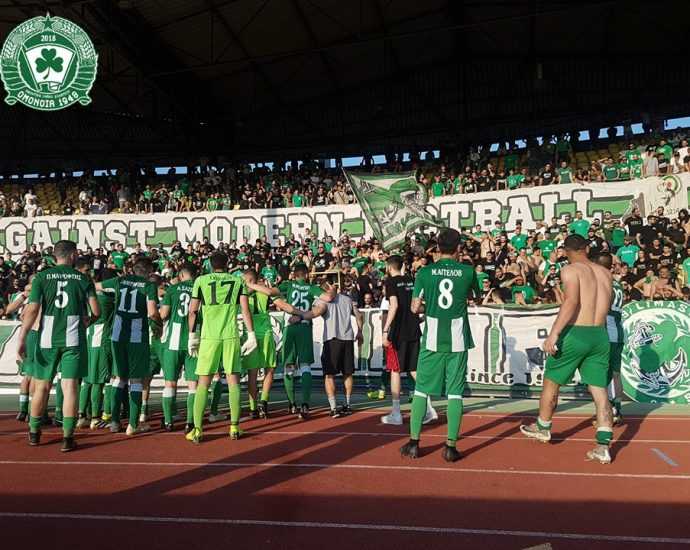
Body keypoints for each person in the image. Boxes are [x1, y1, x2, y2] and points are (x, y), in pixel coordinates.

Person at [520, 234, 614, 464]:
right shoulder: (605, 272)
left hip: (576, 332)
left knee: (552, 381)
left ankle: (543, 426)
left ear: (566, 251)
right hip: (599, 333)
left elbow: (571, 302)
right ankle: (603, 445)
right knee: (600, 391)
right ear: (586, 248)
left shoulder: (570, 270)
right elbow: (607, 303)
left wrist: (554, 333)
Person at [400, 228, 479, 463]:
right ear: (458, 248)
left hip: (432, 338)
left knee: (421, 390)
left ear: (437, 247)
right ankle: (450, 446)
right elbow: (475, 297)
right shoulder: (468, 271)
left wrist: (430, 306)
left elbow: (415, 307)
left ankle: (414, 443)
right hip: (457, 338)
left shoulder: (425, 272)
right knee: (455, 392)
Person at [16, 240, 99, 452]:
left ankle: (34, 433)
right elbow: (96, 311)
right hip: (73, 338)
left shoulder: (42, 277)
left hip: (47, 338)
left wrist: (22, 338)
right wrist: (88, 321)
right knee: (70, 387)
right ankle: (67, 437)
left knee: (42, 386)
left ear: (55, 255)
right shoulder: (83, 278)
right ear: (72, 255)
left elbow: (32, 309)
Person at [185, 252, 257, 444]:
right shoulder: (237, 281)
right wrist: (251, 334)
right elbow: (245, 309)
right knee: (233, 381)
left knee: (203, 383)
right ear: (227, 264)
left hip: (209, 337)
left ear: (210, 264)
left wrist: (191, 335)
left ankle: (197, 430)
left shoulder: (201, 280)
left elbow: (192, 311)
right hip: (230, 335)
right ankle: (234, 426)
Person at [100, 258, 162, 435]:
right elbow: (152, 312)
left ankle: (114, 421)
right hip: (137, 337)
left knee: (119, 378)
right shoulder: (149, 285)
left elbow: (97, 286)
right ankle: (133, 424)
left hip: (117, 335)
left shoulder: (120, 280)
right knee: (136, 380)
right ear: (148, 271)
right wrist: (158, 326)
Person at [380, 254, 437, 426]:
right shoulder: (412, 280)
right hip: (413, 330)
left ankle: (396, 412)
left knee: (395, 370)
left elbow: (394, 305)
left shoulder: (390, 282)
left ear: (389, 267)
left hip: (399, 331)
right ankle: (429, 408)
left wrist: (385, 330)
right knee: (414, 370)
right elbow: (420, 304)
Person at [294, 280, 363, 417]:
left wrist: (300, 316)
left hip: (332, 339)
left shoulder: (323, 300)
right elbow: (359, 315)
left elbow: (315, 312)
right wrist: (360, 332)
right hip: (347, 339)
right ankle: (347, 404)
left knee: (329, 374)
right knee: (347, 373)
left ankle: (333, 407)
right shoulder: (347, 299)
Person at [159, 263, 197, 431]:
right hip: (193, 339)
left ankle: (168, 421)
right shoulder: (199, 288)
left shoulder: (172, 289)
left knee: (170, 383)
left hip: (173, 341)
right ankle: (190, 422)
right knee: (193, 385)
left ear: (181, 275)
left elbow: (163, 314)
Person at [595, 253, 625, 426]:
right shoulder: (618, 284)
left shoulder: (605, 283)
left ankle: (610, 409)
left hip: (609, 333)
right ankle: (617, 409)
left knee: (605, 373)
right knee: (615, 373)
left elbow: (604, 308)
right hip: (618, 332)